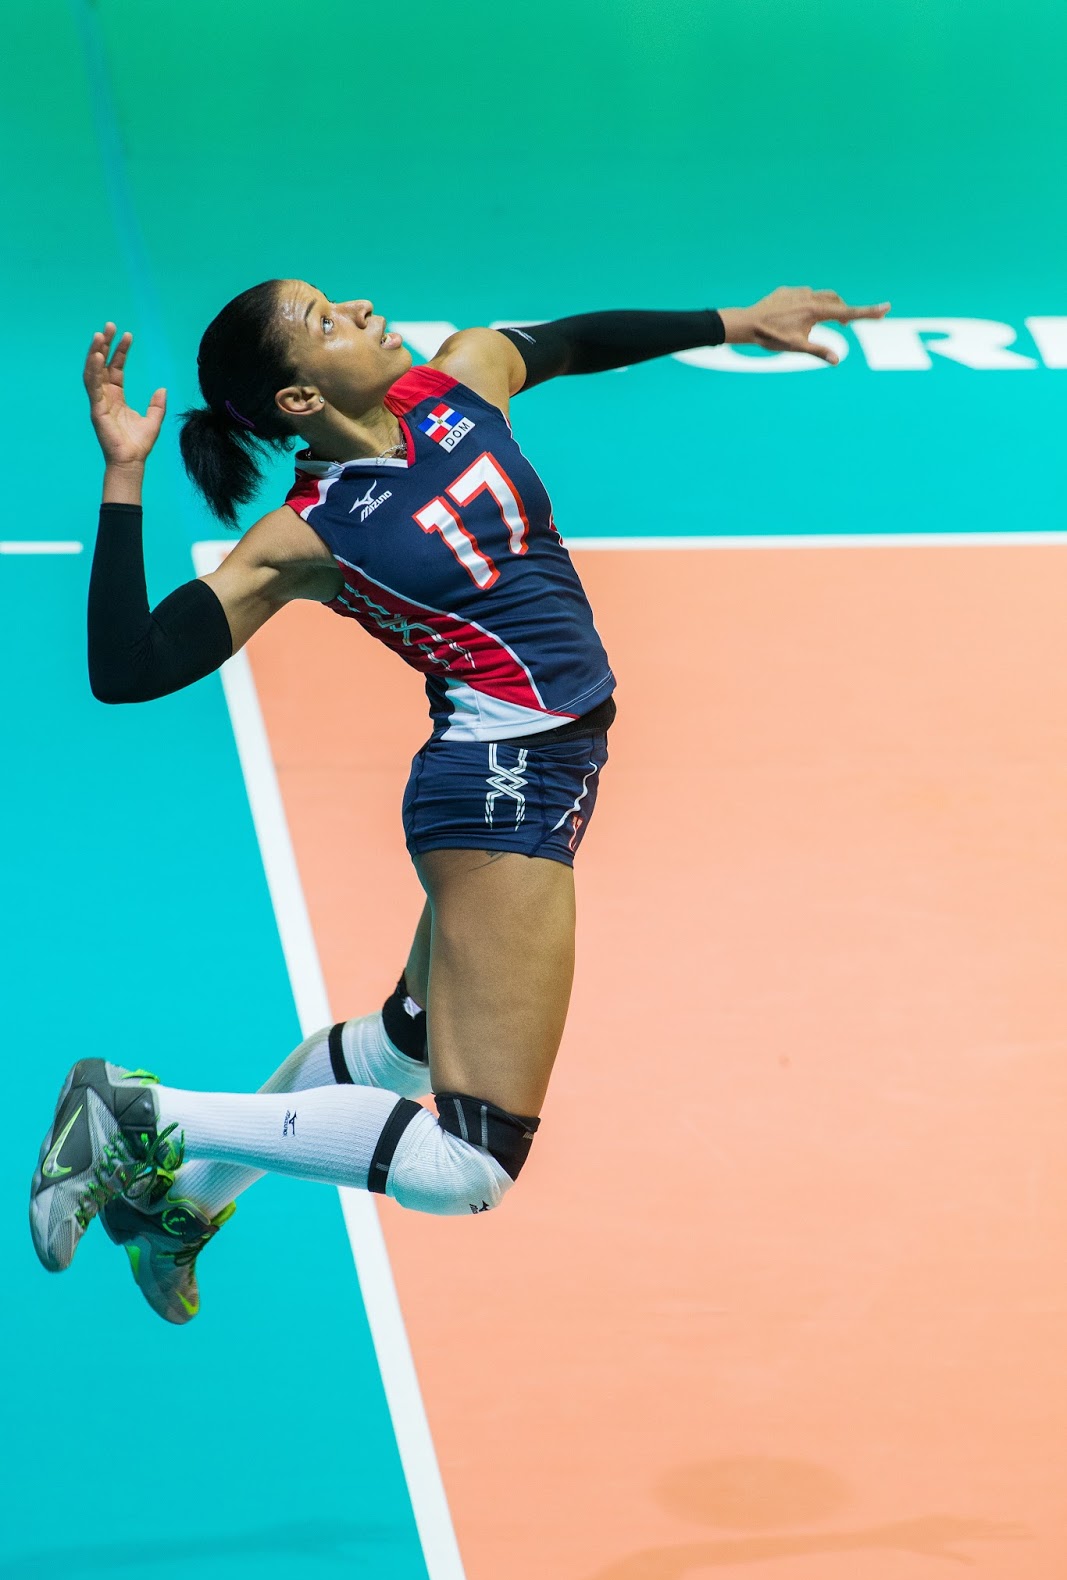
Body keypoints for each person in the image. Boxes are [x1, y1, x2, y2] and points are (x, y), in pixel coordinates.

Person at [30, 282, 889, 1322]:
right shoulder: (306, 538)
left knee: (403, 1043)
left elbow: (578, 338)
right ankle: (137, 1111)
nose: (358, 306)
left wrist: (737, 324)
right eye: (325, 319)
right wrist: (124, 474)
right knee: (469, 1165)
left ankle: (180, 1206)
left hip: (534, 776)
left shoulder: (465, 378)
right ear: (299, 399)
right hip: (500, 789)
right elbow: (127, 666)